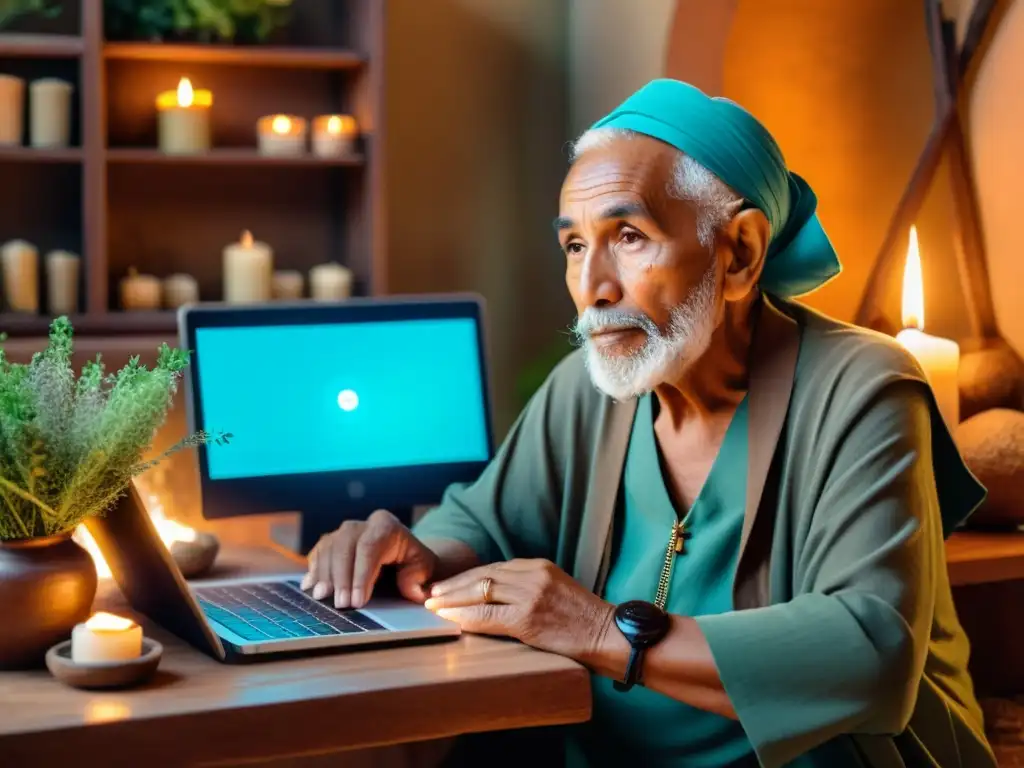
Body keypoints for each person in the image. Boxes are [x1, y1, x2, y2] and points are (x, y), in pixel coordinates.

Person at [302, 79, 994, 768]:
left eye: (629, 236)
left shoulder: (864, 387)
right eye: (576, 246)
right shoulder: (591, 384)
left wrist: (598, 628)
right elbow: (481, 522)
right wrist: (423, 555)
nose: (594, 289)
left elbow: (869, 656)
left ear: (740, 253)